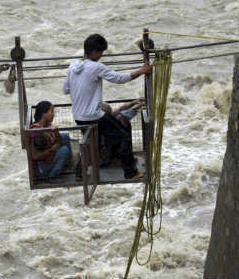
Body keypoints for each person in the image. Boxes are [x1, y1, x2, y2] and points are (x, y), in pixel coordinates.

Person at [63, 34, 152, 179]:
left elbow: (65, 90)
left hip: (79, 117)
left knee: (93, 145)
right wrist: (141, 71)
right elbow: (118, 78)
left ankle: (80, 173)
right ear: (94, 52)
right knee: (122, 136)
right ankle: (131, 172)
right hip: (93, 116)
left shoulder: (73, 67)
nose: (101, 56)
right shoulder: (96, 67)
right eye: (100, 53)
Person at [30, 101, 71, 180]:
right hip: (42, 167)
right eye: (51, 111)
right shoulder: (36, 131)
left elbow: (59, 140)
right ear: (44, 114)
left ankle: (66, 165)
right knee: (64, 150)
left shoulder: (47, 125)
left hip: (50, 157)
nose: (53, 114)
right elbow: (35, 156)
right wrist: (52, 149)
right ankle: (53, 176)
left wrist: (56, 131)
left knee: (65, 136)